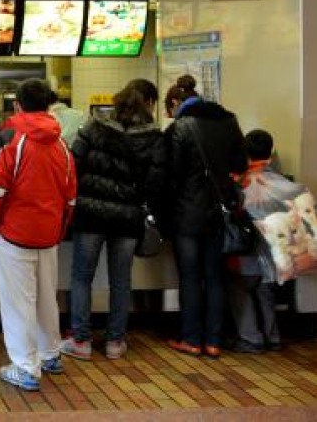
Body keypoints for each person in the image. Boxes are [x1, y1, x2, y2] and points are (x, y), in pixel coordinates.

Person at [0, 78, 75, 392]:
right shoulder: (61, 143)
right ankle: (50, 354)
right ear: (48, 105)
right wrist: (58, 230)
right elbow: (70, 196)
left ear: (17, 105)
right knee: (46, 298)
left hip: (13, 234)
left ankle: (25, 368)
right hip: (48, 234)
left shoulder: (10, 138)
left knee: (17, 303)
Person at [62, 79, 165, 361]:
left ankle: (81, 341)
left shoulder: (94, 127)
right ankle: (115, 342)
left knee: (82, 276)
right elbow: (155, 182)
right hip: (128, 217)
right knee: (121, 280)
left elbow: (72, 164)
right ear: (149, 104)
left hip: (90, 213)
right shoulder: (154, 138)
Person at [161, 75, 247, 358]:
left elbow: (171, 175)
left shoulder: (180, 128)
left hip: (187, 214)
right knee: (214, 275)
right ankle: (213, 341)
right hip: (219, 213)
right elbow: (240, 165)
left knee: (190, 276)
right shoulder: (229, 121)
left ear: (176, 102)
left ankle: (191, 339)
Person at [227, 129, 281, 354]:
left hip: (249, 251)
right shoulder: (279, 180)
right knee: (265, 290)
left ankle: (250, 338)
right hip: (273, 252)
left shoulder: (243, 182)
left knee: (240, 288)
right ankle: (272, 337)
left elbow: (238, 213)